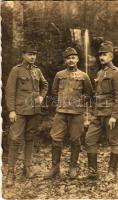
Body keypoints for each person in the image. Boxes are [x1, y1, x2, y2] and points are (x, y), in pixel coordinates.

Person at [44, 47, 93, 179]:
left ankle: (73, 167)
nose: (70, 60)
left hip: (77, 113)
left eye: (73, 58)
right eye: (68, 58)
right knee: (56, 139)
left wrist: (78, 102)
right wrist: (61, 102)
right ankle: (55, 168)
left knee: (75, 140)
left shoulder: (84, 76)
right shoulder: (59, 75)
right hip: (61, 112)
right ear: (65, 60)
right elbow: (53, 92)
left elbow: (89, 94)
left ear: (77, 59)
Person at [5, 43, 48, 186]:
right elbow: (9, 91)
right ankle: (10, 172)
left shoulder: (37, 70)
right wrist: (11, 110)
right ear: (23, 55)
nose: (33, 57)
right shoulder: (16, 70)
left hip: (34, 110)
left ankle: (27, 167)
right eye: (30, 54)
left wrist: (41, 97)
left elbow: (45, 84)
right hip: (20, 111)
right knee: (15, 139)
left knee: (30, 138)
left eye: (34, 54)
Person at [85, 42, 118, 181]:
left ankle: (112, 172)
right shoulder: (100, 73)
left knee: (114, 142)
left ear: (111, 56)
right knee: (90, 139)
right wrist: (92, 113)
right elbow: (97, 95)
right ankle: (93, 171)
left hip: (111, 114)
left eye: (104, 54)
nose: (101, 57)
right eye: (100, 54)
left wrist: (115, 116)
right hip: (98, 114)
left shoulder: (117, 73)